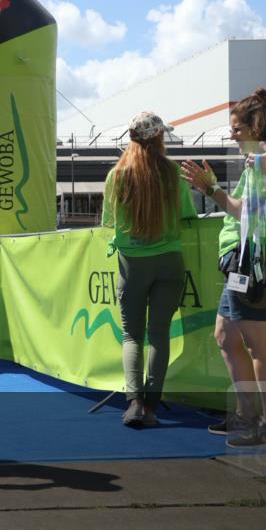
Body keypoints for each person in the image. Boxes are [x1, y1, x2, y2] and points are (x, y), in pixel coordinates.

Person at [184, 89, 266, 447]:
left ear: (255, 127)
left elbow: (242, 210)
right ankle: (249, 416)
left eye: (236, 128)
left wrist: (210, 189)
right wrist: (211, 187)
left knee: (259, 346)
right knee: (226, 337)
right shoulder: (264, 158)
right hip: (247, 259)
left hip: (254, 259)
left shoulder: (265, 159)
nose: (231, 135)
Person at [101, 112, 197, 429]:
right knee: (159, 335)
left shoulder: (116, 176)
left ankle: (134, 404)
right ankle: (152, 407)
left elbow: (108, 223)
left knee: (132, 335)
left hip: (132, 265)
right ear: (160, 137)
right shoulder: (173, 173)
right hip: (169, 261)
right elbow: (187, 216)